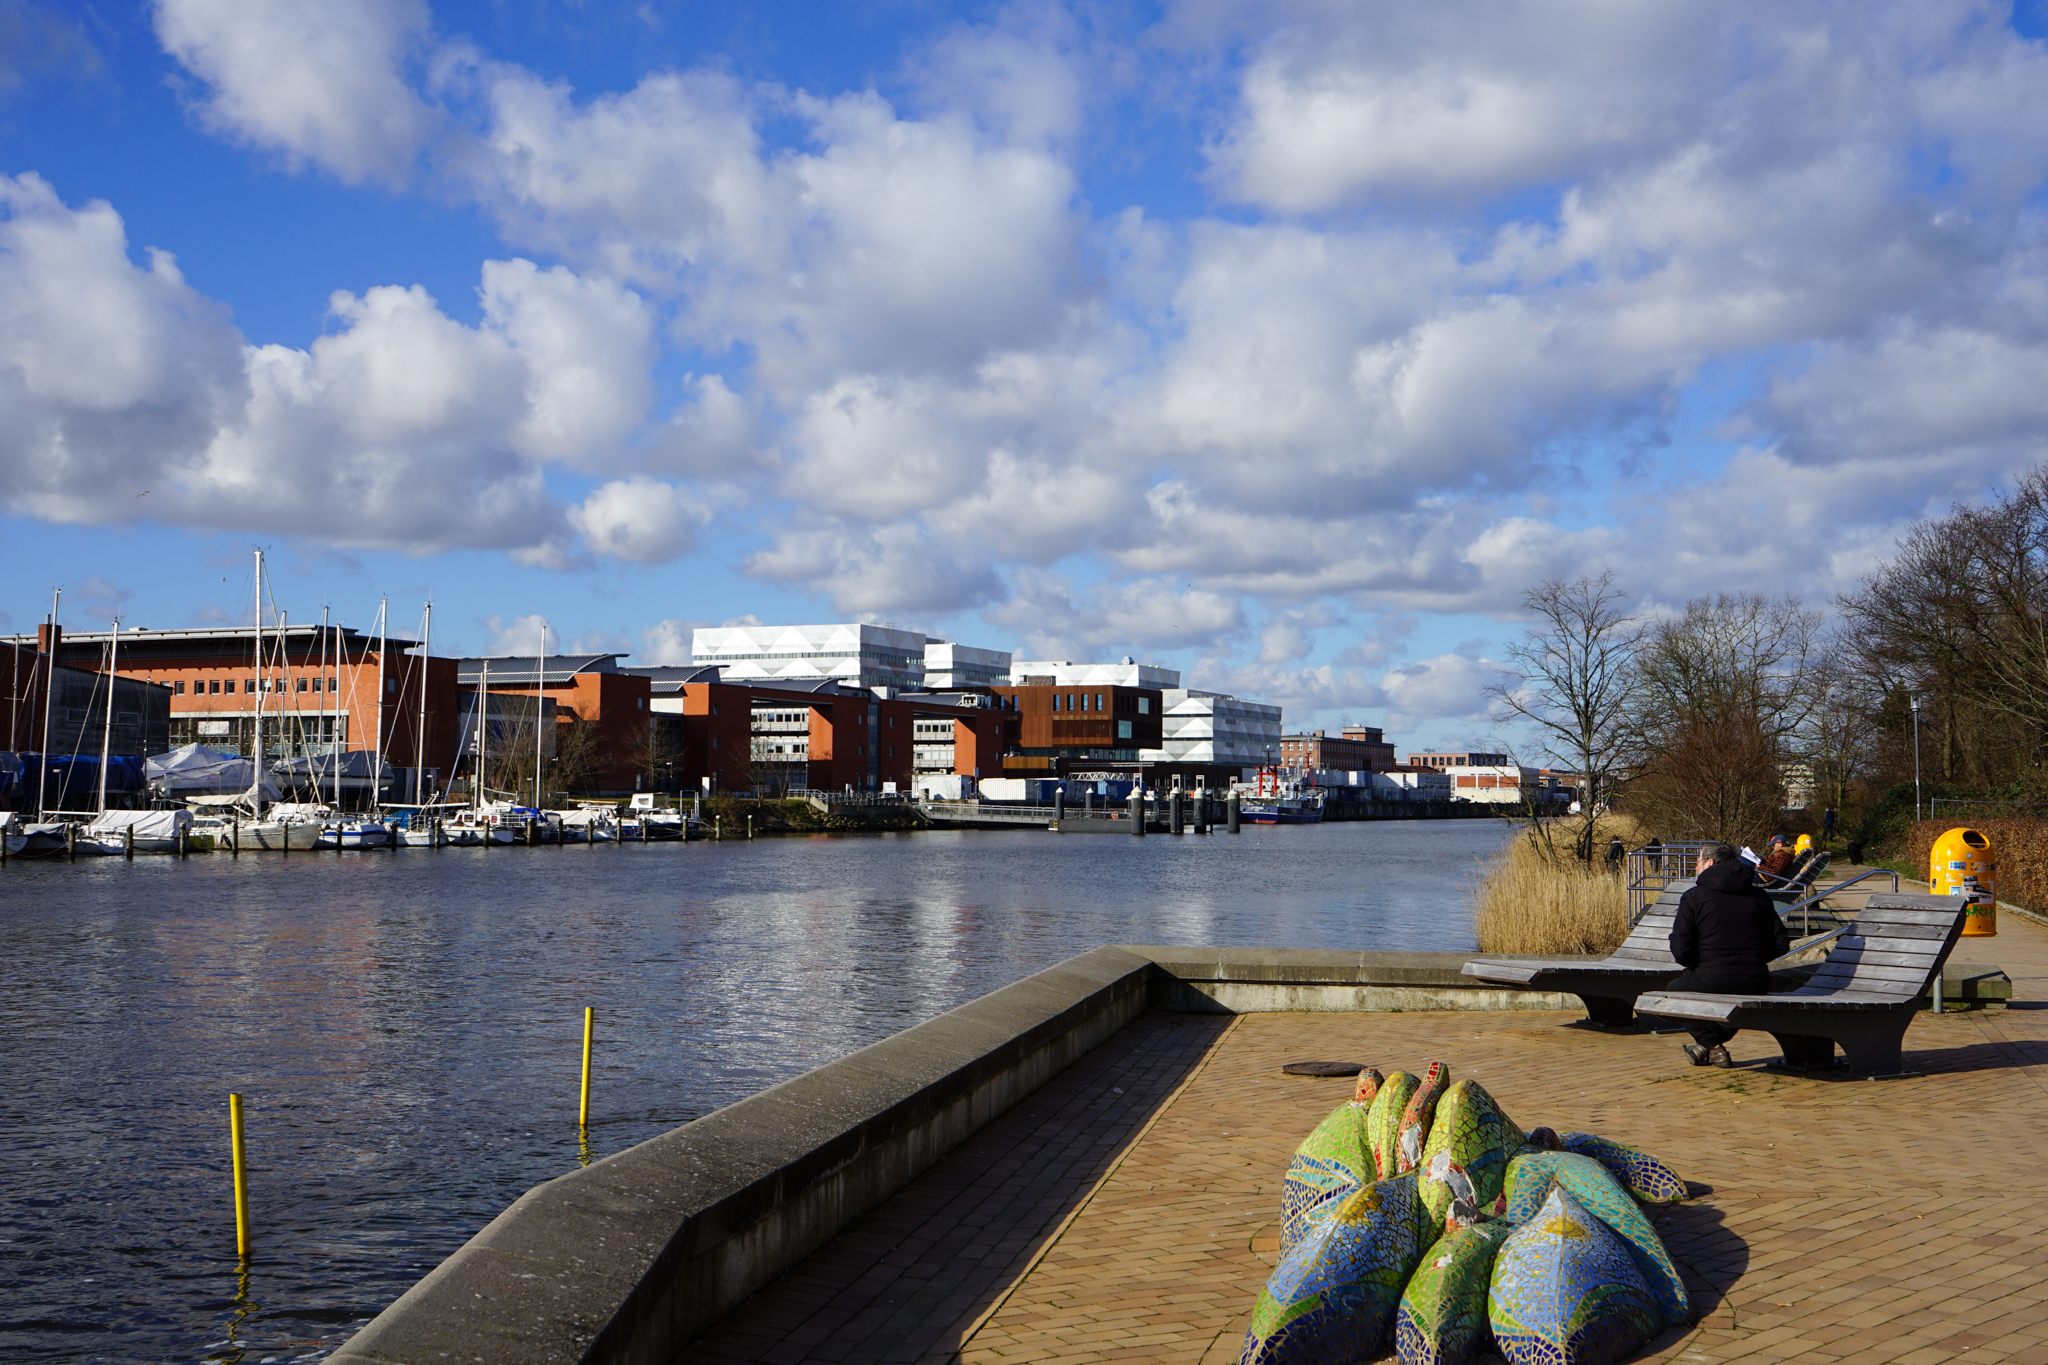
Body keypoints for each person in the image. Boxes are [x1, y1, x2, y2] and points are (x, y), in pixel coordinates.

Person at [1668, 843, 1790, 1067]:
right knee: (1737, 1005)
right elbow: (1780, 943)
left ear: (1710, 863)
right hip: (1755, 979)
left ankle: (1713, 1046)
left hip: (1710, 976)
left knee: (1668, 997)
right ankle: (1706, 1046)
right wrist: (1752, 960)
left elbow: (1681, 948)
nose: (1695, 866)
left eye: (1698, 861)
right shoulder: (1759, 896)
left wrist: (1699, 966)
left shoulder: (1694, 897)